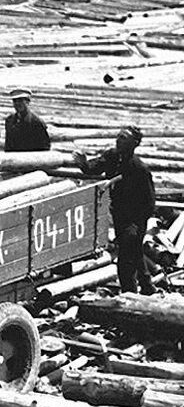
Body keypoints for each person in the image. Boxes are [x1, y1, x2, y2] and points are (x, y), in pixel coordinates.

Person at [75, 126, 156, 294]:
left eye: (124, 138)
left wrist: (137, 225)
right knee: (134, 249)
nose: (118, 140)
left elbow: (149, 202)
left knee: (126, 257)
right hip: (119, 214)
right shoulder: (112, 156)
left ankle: (130, 293)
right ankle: (147, 286)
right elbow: (94, 168)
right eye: (118, 136)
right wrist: (83, 163)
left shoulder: (139, 168)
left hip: (134, 219)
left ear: (134, 144)